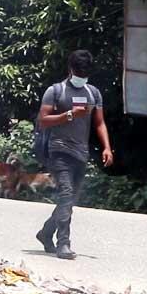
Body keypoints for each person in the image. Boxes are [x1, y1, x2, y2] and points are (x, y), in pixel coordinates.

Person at [35, 49, 113, 260]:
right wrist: (69, 114)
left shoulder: (93, 93)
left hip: (81, 153)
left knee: (68, 201)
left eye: (85, 72)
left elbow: (99, 122)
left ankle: (45, 233)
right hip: (58, 150)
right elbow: (43, 120)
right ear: (70, 69)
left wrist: (106, 147)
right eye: (79, 71)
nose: (82, 76)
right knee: (66, 195)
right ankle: (64, 243)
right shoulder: (55, 91)